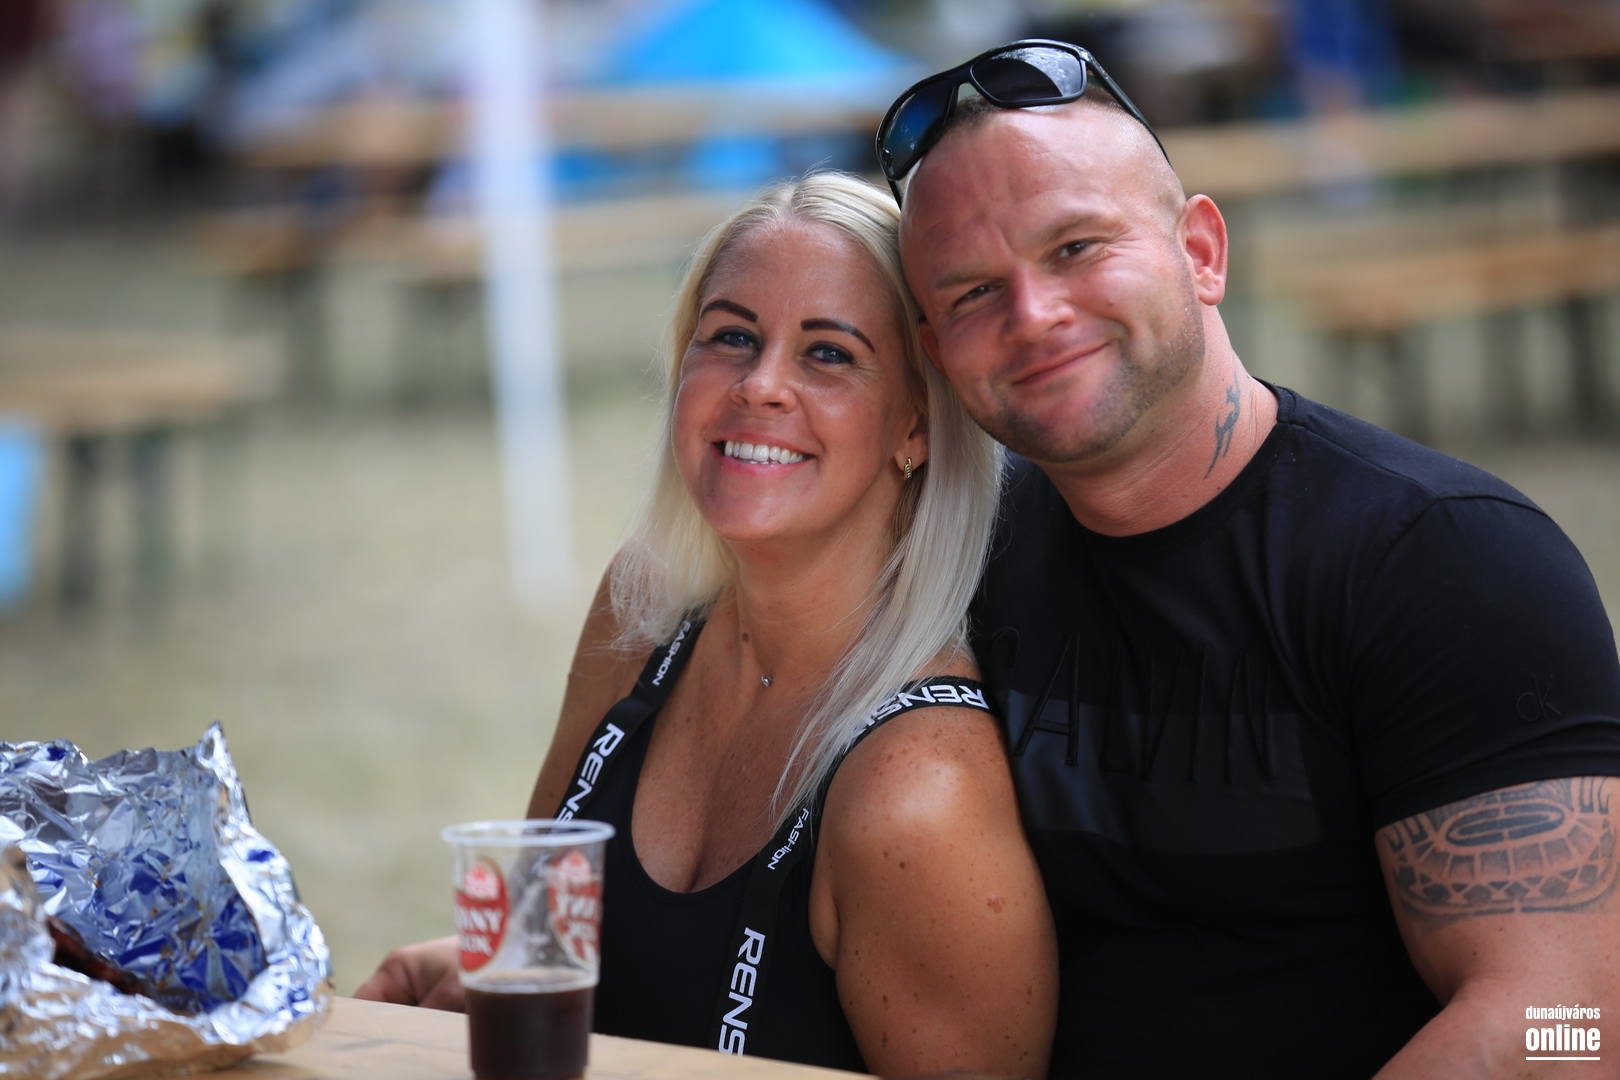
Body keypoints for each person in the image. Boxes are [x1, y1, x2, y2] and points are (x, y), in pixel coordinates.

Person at [879, 39, 1620, 1080]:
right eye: (970, 294)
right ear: (934, 351)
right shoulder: (958, 560)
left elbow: (1575, 1022)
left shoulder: (1448, 563)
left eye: (1077, 247)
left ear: (1202, 252)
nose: (1033, 316)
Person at [358, 172, 1058, 1078]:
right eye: (731, 336)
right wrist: (481, 973)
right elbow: (545, 942)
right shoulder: (643, 603)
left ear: (915, 426)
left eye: (829, 353)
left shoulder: (917, 792)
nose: (760, 385)